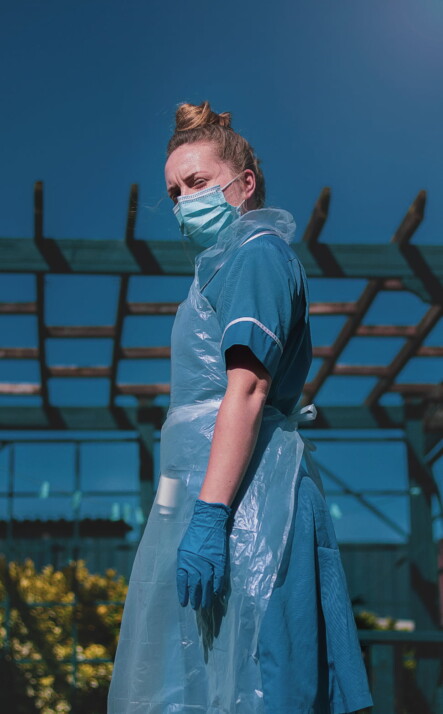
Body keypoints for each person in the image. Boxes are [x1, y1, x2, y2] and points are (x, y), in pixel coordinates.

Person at [107, 100, 374, 714]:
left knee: (261, 680)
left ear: (244, 183)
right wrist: (175, 512)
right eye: (174, 192)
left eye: (197, 182)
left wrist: (207, 519)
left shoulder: (256, 253)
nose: (183, 201)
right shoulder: (214, 273)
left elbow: (247, 391)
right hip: (215, 502)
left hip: (251, 508)